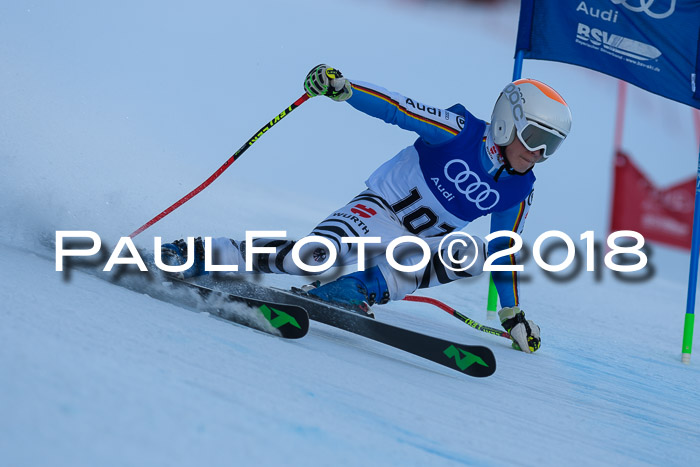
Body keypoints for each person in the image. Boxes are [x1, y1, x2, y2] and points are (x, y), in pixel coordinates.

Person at [161, 64, 572, 353]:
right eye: (535, 137)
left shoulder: (520, 188)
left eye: (550, 146)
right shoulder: (458, 131)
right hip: (377, 212)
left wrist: (512, 313)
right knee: (316, 256)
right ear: (507, 121)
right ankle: (205, 253)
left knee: (478, 254)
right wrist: (346, 89)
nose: (538, 153)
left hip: (412, 248)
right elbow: (400, 108)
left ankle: (352, 289)